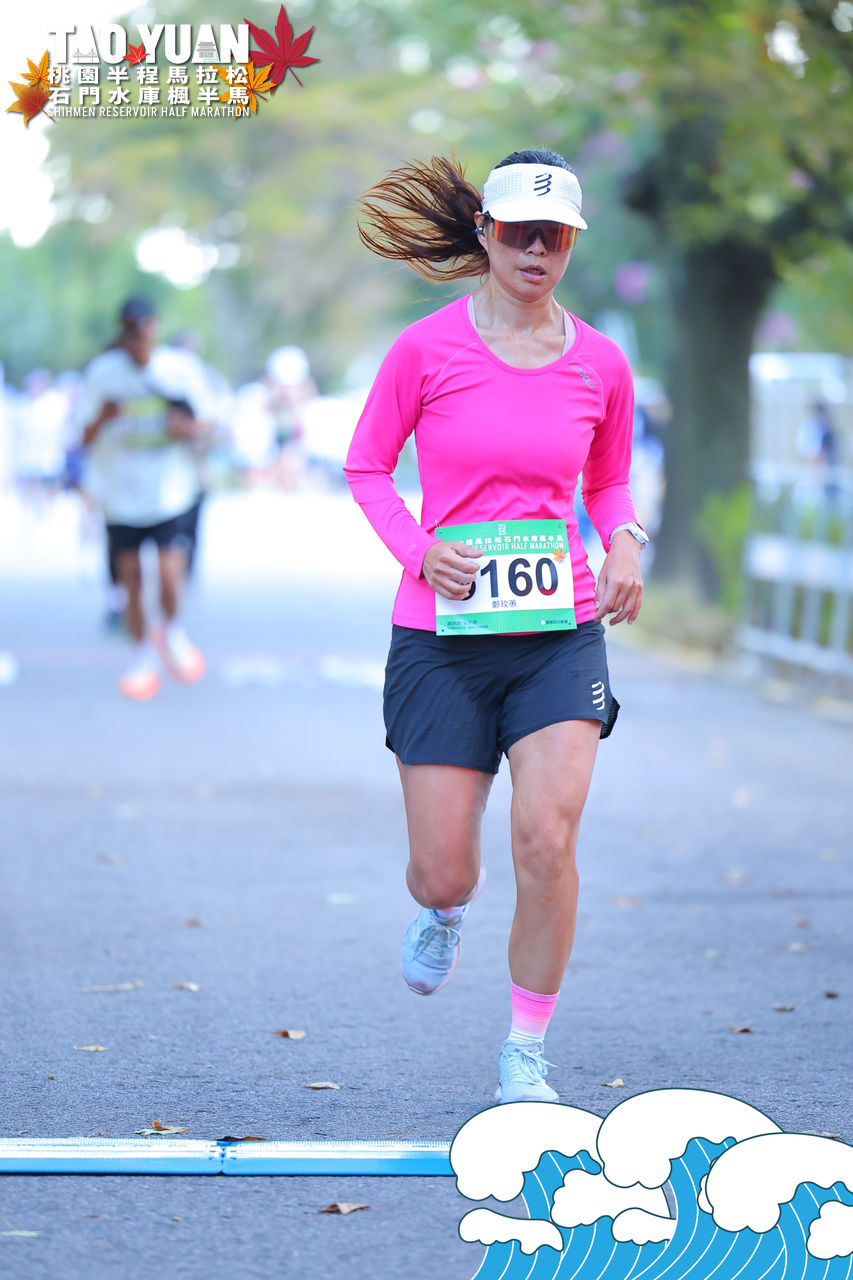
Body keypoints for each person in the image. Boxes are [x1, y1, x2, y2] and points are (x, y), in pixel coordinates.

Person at [344, 150, 648, 1104]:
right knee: (442, 873)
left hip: (557, 634)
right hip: (442, 639)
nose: (535, 252)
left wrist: (624, 542)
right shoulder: (424, 350)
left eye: (554, 237)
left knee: (547, 841)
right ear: (485, 233)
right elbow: (365, 467)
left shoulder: (600, 362)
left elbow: (607, 479)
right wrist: (418, 549)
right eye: (519, 233)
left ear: (571, 245)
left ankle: (525, 1052)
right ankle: (444, 914)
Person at [76, 298, 215, 700]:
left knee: (171, 575)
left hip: (170, 493)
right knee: (131, 582)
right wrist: (103, 418)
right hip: (120, 497)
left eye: (144, 329)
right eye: (130, 330)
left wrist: (185, 427)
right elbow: (81, 437)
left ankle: (172, 631)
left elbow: (209, 422)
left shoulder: (179, 369)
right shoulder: (103, 375)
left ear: (155, 328)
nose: (138, 338)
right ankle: (142, 653)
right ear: (121, 331)